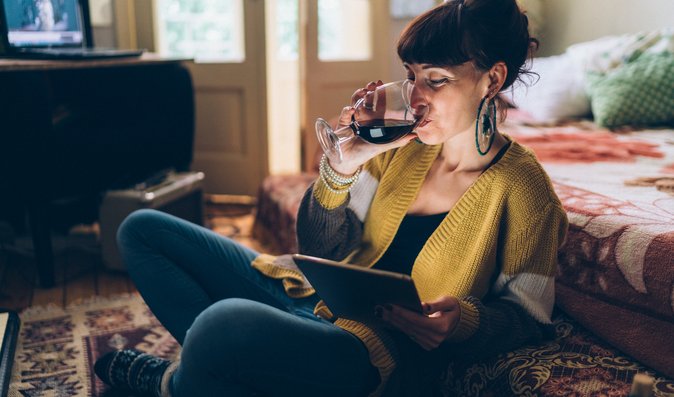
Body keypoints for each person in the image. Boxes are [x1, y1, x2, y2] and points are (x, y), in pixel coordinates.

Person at [94, 0, 568, 396]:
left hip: (366, 352)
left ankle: (174, 383)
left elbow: (528, 319)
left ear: (492, 79)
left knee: (223, 323)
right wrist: (343, 166)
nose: (416, 97)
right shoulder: (400, 152)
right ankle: (216, 377)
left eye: (436, 80)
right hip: (311, 300)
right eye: (411, 75)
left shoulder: (523, 191)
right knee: (142, 230)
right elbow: (320, 251)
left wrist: (463, 322)